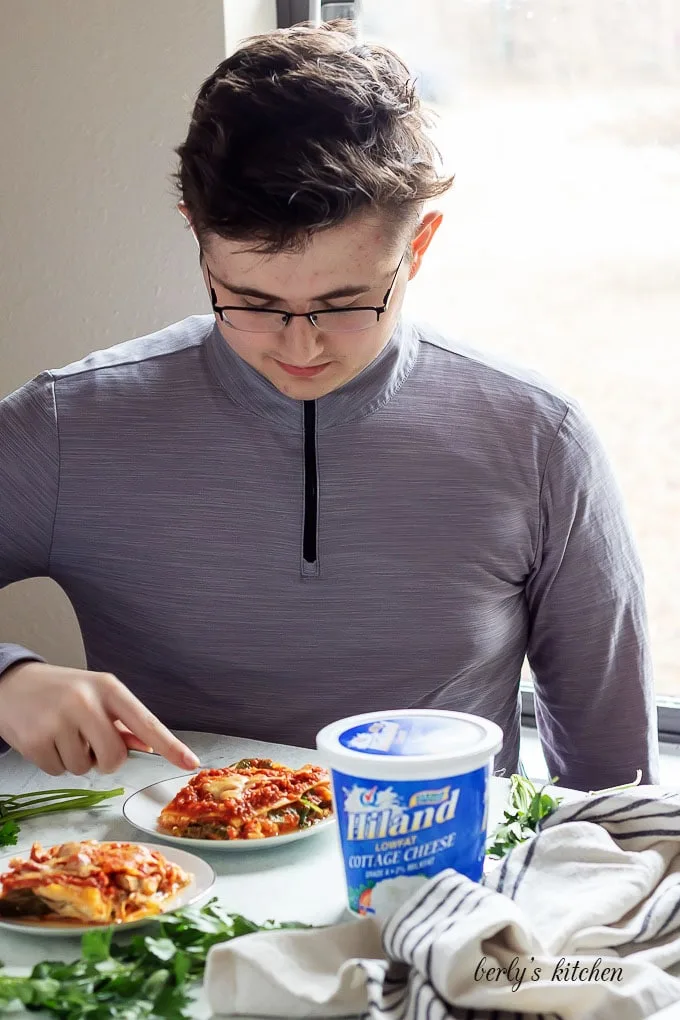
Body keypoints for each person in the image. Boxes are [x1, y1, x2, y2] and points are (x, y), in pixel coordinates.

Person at [0, 21, 658, 790]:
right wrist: (8, 679)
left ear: (419, 247)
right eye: (250, 300)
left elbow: (616, 792)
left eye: (346, 303)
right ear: (197, 237)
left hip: (438, 898)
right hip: (160, 892)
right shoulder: (66, 426)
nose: (300, 348)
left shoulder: (541, 440)